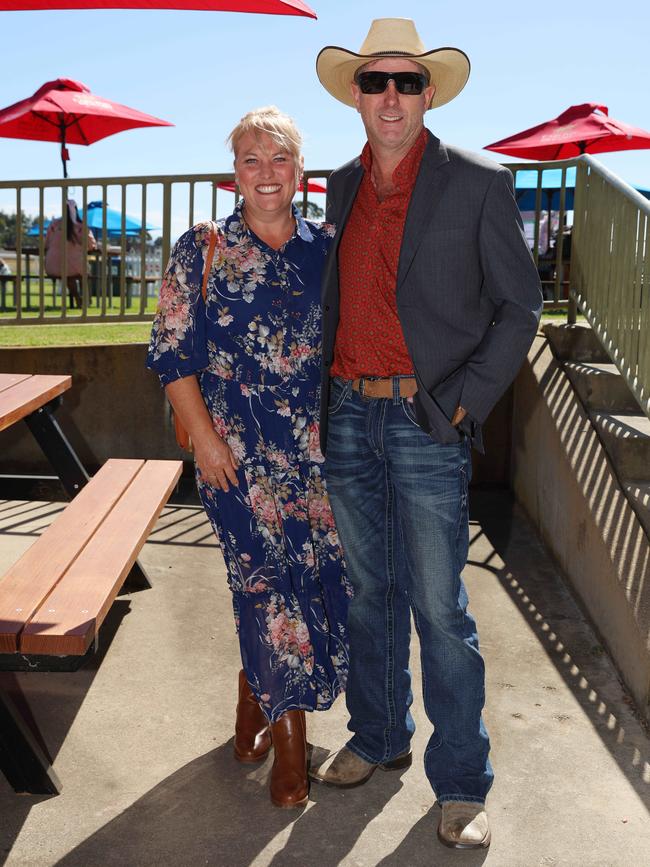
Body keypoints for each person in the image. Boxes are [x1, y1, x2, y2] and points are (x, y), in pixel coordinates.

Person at [311, 19, 542, 849]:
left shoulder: (478, 182)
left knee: (441, 609)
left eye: (408, 82)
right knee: (371, 595)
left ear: (429, 93)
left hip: (425, 418)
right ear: (357, 95)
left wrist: (461, 405)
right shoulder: (338, 186)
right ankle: (378, 736)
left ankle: (461, 781)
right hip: (348, 416)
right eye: (377, 82)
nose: (392, 97)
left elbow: (520, 308)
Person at [147, 106, 350, 810]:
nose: (266, 173)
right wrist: (203, 439)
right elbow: (171, 351)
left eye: (278, 159)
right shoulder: (200, 247)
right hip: (230, 453)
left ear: (299, 171)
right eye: (251, 160)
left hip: (312, 455)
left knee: (310, 585)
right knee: (267, 585)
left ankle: (252, 700)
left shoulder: (327, 246)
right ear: (233, 173)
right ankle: (291, 744)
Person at [44, 199, 97, 308]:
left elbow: (46, 244)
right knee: (83, 273)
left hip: (52, 266)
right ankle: (86, 297)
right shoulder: (81, 227)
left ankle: (78, 298)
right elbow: (92, 245)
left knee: (67, 274)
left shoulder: (54, 224)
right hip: (74, 265)